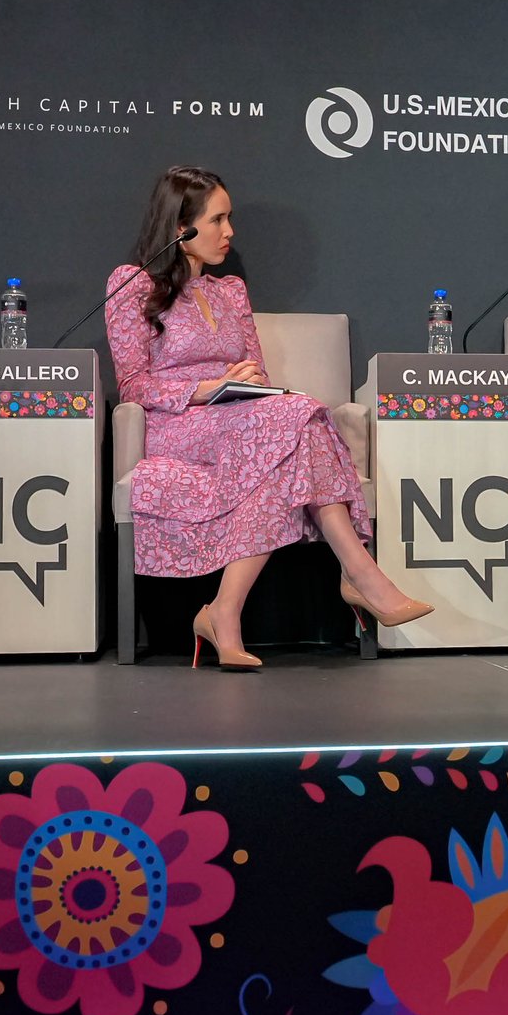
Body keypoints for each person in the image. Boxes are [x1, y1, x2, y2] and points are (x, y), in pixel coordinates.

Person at [106, 165, 429, 669]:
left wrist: (248, 380)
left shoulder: (230, 290)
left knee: (291, 429)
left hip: (241, 420)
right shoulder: (133, 284)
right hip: (178, 424)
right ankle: (360, 573)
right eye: (217, 220)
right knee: (300, 416)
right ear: (180, 228)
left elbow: (257, 368)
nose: (229, 232)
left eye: (228, 218)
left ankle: (224, 612)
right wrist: (206, 389)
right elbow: (133, 384)